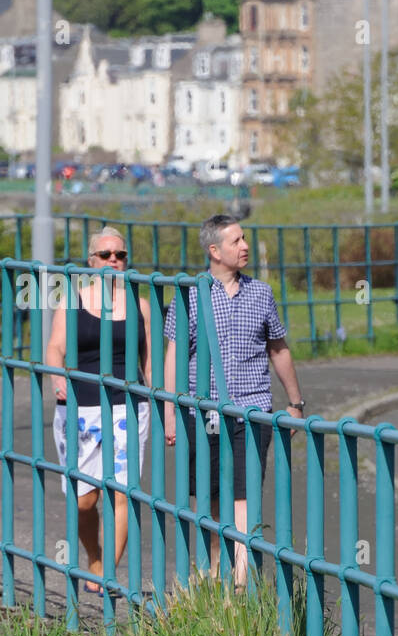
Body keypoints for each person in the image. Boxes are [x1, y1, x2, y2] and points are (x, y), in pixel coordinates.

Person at [163, 214, 306, 589]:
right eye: (236, 241)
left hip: (251, 409)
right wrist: (169, 412)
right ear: (214, 250)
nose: (244, 247)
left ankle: (240, 582)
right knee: (210, 497)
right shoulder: (190, 294)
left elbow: (278, 348)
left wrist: (295, 402)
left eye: (245, 239)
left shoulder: (261, 293)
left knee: (244, 493)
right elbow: (175, 354)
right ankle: (215, 570)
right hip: (202, 409)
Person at [46, 226, 153, 595]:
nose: (113, 261)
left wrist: (159, 401)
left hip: (129, 406)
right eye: (106, 255)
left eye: (120, 255)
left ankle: (108, 572)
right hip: (80, 409)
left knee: (122, 492)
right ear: (91, 261)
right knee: (84, 499)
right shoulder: (72, 300)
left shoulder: (140, 304)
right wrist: (57, 379)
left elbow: (150, 360)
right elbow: (55, 348)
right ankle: (93, 554)